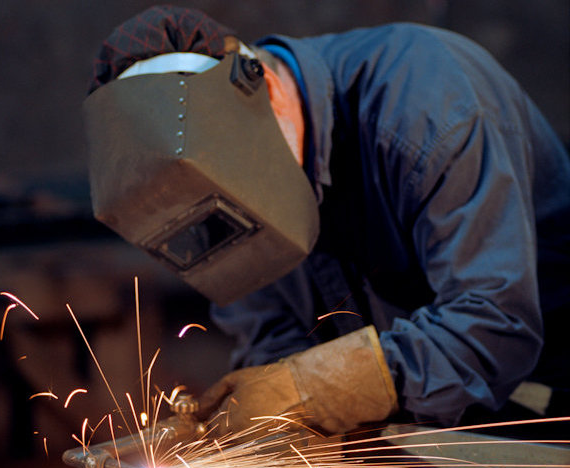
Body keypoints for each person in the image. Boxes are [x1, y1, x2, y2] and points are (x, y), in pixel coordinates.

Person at [84, 5, 570, 437]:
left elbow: (496, 325)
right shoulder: (221, 194)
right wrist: (273, 421)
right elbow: (270, 337)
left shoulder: (429, 106)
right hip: (433, 430)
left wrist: (315, 389)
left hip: (547, 399)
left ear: (269, 90)